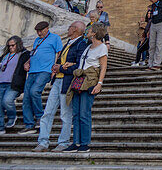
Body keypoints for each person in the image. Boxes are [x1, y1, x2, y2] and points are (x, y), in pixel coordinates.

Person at [34, 20, 88, 152]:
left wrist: (62, 69)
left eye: (70, 27)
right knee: (47, 112)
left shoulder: (81, 44)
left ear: (75, 29)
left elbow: (79, 66)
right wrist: (56, 66)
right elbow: (61, 61)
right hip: (57, 81)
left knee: (65, 114)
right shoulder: (69, 43)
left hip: (67, 83)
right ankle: (43, 142)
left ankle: (63, 142)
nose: (68, 29)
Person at [65, 23, 109, 153]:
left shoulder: (102, 48)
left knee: (84, 113)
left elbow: (103, 67)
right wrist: (72, 64)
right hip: (80, 80)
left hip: (90, 81)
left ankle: (85, 143)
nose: (87, 32)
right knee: (76, 113)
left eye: (89, 30)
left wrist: (99, 83)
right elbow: (83, 63)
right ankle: (76, 142)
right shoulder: (88, 47)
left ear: (94, 33)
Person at [20, 21, 63, 134]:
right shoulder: (37, 40)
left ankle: (39, 117)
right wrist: (27, 62)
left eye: (40, 30)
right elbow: (34, 53)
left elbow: (59, 53)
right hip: (33, 70)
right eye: (37, 31)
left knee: (34, 91)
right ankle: (29, 124)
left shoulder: (55, 38)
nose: (39, 33)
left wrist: (55, 69)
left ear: (47, 28)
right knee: (26, 97)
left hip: (45, 70)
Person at [0, 37, 29, 135]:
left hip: (13, 83)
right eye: (9, 45)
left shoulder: (24, 54)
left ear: (18, 44)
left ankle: (12, 116)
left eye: (13, 45)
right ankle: (0, 127)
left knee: (7, 101)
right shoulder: (4, 56)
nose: (11, 47)